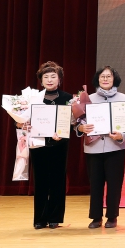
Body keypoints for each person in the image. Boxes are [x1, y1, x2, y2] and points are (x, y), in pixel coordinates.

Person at [75, 66, 125, 229]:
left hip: (116, 147)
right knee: (95, 184)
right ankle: (96, 217)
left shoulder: (123, 98)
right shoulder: (88, 98)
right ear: (97, 79)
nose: (105, 79)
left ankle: (112, 217)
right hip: (93, 148)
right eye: (102, 76)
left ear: (114, 79)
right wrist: (81, 128)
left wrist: (121, 135)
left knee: (114, 184)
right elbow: (77, 122)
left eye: (109, 76)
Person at [20, 61, 73, 229]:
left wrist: (62, 134)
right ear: (41, 80)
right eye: (46, 77)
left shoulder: (67, 98)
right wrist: (23, 124)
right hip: (38, 144)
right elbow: (21, 120)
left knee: (58, 180)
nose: (49, 80)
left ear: (59, 79)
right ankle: (40, 219)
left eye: (53, 76)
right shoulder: (34, 99)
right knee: (41, 181)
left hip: (59, 144)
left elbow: (71, 122)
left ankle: (55, 218)